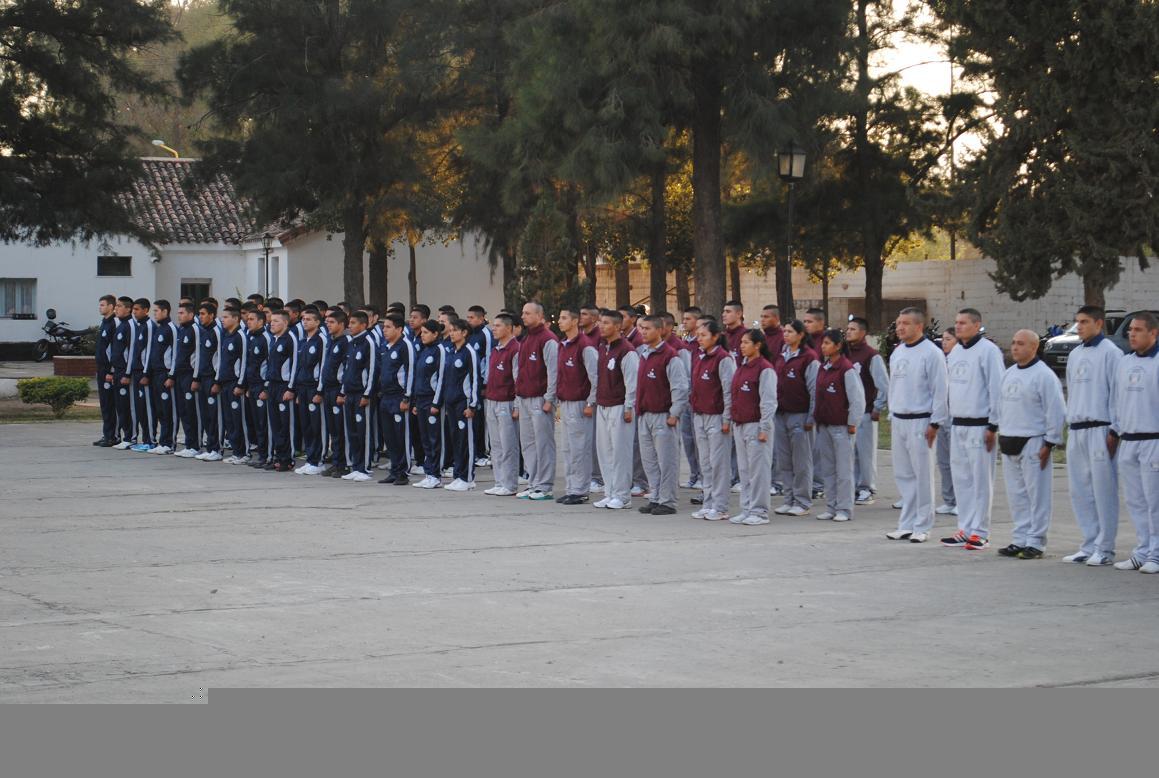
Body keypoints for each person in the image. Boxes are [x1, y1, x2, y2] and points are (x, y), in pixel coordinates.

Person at [995, 330, 1065, 560]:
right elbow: (1001, 406)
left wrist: (1050, 442)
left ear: (1034, 347)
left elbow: (1056, 410)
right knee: (1017, 495)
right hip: (1009, 440)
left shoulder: (1044, 376)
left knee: (1037, 496)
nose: (1015, 347)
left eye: (1021, 344)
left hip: (1033, 441)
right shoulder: (1008, 374)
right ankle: (1020, 539)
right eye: (1013, 343)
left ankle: (1036, 542)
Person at [1062, 306, 1122, 565]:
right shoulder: (1075, 354)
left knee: (1103, 490)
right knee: (1080, 490)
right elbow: (1072, 391)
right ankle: (1088, 544)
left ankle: (1105, 548)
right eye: (1077, 322)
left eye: (1085, 322)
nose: (1079, 327)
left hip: (1100, 427)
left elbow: (1117, 393)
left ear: (1099, 324)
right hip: (1077, 429)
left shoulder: (1111, 353)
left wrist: (1114, 430)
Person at [941, 308, 1005, 550]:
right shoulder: (956, 352)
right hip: (958, 423)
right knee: (962, 479)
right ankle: (965, 528)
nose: (958, 326)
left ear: (977, 325)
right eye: (956, 322)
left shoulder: (988, 351)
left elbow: (996, 388)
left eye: (963, 323)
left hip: (980, 424)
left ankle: (981, 531)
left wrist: (993, 424)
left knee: (980, 481)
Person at [885, 307, 949, 543]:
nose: (900, 327)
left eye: (906, 323)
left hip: (921, 420)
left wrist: (936, 422)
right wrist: (892, 413)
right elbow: (894, 386)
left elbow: (940, 390)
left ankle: (923, 525)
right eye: (898, 323)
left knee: (922, 475)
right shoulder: (898, 352)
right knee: (904, 475)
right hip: (899, 419)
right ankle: (906, 523)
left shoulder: (932, 353)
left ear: (919, 326)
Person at [1110, 312, 1159, 573]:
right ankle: (1142, 550)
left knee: (1155, 501)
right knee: (1135, 501)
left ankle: (1157, 553)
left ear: (1153, 333)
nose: (1132, 334)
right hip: (1129, 440)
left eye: (1138, 330)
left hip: (1153, 440)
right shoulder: (1124, 362)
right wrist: (1116, 429)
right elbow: (1117, 400)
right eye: (1130, 329)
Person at [635, 315, 689, 515]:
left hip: (663, 415)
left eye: (648, 328)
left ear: (659, 330)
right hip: (645, 414)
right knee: (650, 461)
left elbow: (680, 387)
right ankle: (656, 496)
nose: (643, 332)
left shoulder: (670, 356)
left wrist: (674, 413)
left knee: (667, 461)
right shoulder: (644, 354)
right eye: (642, 328)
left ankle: (668, 500)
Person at [813, 329, 866, 522]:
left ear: (838, 346)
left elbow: (857, 399)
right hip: (824, 425)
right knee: (828, 469)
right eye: (823, 343)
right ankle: (831, 506)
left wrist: (852, 422)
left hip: (841, 426)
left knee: (844, 470)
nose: (823, 346)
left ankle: (844, 508)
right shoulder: (823, 367)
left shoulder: (846, 369)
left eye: (827, 343)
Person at [729, 328, 778, 525]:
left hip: (756, 425)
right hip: (740, 424)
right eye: (741, 342)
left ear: (757, 345)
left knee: (759, 471)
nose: (742, 346)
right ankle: (747, 508)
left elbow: (768, 400)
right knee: (745, 470)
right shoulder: (742, 367)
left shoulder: (765, 369)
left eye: (746, 342)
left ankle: (760, 511)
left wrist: (764, 428)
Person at [593, 309, 640, 510]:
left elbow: (632, 382)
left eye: (606, 323)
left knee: (620, 453)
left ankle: (622, 495)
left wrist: (629, 406)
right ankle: (610, 492)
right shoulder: (603, 348)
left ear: (618, 326)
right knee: (605, 452)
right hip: (603, 405)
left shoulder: (627, 350)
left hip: (620, 407)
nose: (601, 326)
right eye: (600, 322)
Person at [690, 319, 735, 521]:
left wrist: (727, 418)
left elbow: (728, 391)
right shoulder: (701, 357)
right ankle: (708, 503)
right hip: (700, 415)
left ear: (715, 337)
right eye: (698, 335)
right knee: (706, 463)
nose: (699, 339)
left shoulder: (723, 359)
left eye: (704, 335)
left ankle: (720, 506)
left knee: (718, 464)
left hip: (716, 417)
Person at [515, 302, 560, 501]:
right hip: (525, 398)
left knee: (543, 444)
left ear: (540, 316)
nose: (523, 316)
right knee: (528, 444)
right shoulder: (526, 339)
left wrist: (550, 398)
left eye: (527, 313)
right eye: (523, 313)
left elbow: (553, 371)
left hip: (540, 399)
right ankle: (533, 482)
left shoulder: (548, 339)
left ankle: (545, 486)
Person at [773, 320, 819, 517]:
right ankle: (789, 498)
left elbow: (814, 390)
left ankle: (802, 501)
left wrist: (811, 417)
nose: (786, 334)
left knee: (801, 461)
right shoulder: (782, 356)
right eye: (784, 331)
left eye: (790, 331)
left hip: (800, 415)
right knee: (784, 460)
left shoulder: (809, 358)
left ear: (800, 335)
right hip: (781, 414)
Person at [555, 308, 598, 505]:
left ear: (574, 321)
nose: (560, 321)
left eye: (564, 318)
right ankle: (571, 488)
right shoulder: (563, 345)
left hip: (580, 403)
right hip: (566, 402)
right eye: (560, 318)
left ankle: (580, 490)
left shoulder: (585, 346)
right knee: (568, 448)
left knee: (580, 448)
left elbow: (595, 377)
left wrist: (590, 402)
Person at [844, 316, 888, 505]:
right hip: (847, 412)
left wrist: (878, 406)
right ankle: (854, 486)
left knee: (865, 452)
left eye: (853, 329)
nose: (848, 332)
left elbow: (883, 384)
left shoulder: (871, 356)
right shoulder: (845, 354)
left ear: (863, 333)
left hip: (866, 411)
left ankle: (866, 488)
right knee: (850, 452)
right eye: (847, 329)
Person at [441, 318, 483, 491]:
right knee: (456, 440)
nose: (451, 334)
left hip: (464, 403)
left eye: (454, 330)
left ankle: (468, 478)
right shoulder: (451, 352)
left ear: (464, 333)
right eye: (450, 331)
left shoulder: (469, 352)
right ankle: (458, 475)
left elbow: (475, 380)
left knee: (466, 440)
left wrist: (472, 405)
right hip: (451, 403)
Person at [374, 313, 416, 485]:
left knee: (401, 435)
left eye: (388, 327)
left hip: (399, 397)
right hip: (386, 397)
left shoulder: (405, 346)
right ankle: (394, 469)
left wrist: (407, 397)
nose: (384, 330)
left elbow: (411, 372)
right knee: (389, 436)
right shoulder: (385, 347)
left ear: (399, 329)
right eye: (383, 327)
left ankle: (403, 472)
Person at [483, 313, 520, 496]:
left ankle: (510, 484)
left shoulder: (515, 349)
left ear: (508, 328)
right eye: (493, 325)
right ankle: (499, 481)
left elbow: (518, 379)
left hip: (507, 402)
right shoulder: (495, 350)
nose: (494, 329)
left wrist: (517, 405)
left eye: (498, 326)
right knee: (496, 445)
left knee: (508, 445)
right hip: (492, 400)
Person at [338, 311, 375, 481]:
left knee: (363, 432)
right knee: (352, 432)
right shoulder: (351, 343)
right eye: (350, 323)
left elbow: (372, 369)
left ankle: (364, 468)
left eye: (353, 323)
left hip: (361, 394)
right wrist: (343, 391)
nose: (349, 326)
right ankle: (356, 465)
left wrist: (367, 394)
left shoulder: (368, 342)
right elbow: (347, 369)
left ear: (363, 325)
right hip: (350, 393)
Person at [410, 320, 447, 489]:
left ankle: (436, 475)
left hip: (432, 401)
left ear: (435, 334)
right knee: (425, 439)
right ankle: (429, 473)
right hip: (421, 401)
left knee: (434, 439)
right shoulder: (424, 351)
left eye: (426, 333)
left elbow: (441, 378)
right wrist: (416, 402)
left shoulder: (440, 350)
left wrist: (436, 403)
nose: (422, 336)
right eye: (422, 333)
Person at [316, 308, 350, 478]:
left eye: (332, 322)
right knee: (333, 430)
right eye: (327, 322)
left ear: (341, 324)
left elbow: (347, 369)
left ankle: (344, 464)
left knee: (340, 429)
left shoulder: (345, 342)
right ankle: (336, 462)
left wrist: (342, 392)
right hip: (328, 390)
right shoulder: (331, 341)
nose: (328, 325)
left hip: (338, 390)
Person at [291, 308, 326, 475]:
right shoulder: (303, 341)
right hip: (303, 388)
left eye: (309, 319)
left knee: (315, 426)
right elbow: (299, 366)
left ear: (317, 322)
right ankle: (311, 459)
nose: (305, 322)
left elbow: (324, 366)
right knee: (306, 425)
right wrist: (297, 391)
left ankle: (318, 460)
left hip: (314, 388)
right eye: (303, 319)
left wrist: (319, 391)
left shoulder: (321, 340)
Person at [262, 309, 297, 472]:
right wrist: (267, 386)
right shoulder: (273, 340)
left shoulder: (290, 339)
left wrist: (291, 388)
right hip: (273, 386)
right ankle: (278, 456)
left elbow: (295, 364)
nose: (272, 324)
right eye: (271, 321)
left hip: (284, 387)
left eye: (276, 321)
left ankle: (288, 459)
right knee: (275, 424)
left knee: (285, 425)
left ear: (285, 322)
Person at [145, 299, 178, 455]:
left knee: (168, 410)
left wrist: (171, 375)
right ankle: (162, 441)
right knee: (159, 410)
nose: (155, 314)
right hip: (156, 375)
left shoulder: (171, 329)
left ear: (165, 311)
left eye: (156, 311)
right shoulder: (159, 329)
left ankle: (169, 443)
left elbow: (176, 354)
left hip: (166, 375)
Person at [214, 307, 247, 464]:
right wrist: (218, 381)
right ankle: (236, 451)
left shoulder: (240, 336)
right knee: (229, 420)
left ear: (235, 318)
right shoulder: (226, 336)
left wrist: (241, 384)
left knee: (238, 419)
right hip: (225, 383)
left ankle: (244, 453)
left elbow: (244, 361)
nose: (222, 319)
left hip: (235, 384)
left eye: (226, 317)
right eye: (222, 317)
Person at [169, 302, 201, 458]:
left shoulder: (195, 329)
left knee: (191, 411)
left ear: (191, 314)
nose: (179, 315)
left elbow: (199, 355)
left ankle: (195, 445)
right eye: (178, 313)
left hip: (190, 375)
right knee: (183, 410)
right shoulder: (181, 330)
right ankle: (189, 443)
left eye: (182, 313)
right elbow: (177, 355)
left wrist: (196, 377)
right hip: (180, 375)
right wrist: (173, 375)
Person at [242, 309, 272, 467]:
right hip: (252, 386)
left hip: (261, 386)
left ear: (261, 321)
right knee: (256, 423)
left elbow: (270, 364)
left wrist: (265, 388)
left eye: (252, 319)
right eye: (248, 319)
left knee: (263, 423)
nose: (248, 321)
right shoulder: (251, 337)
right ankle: (262, 455)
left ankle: (268, 456)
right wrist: (248, 386)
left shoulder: (266, 338)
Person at [934, 329, 958, 515]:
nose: (944, 342)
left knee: (957, 461)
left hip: (956, 415)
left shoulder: (959, 361)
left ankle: (960, 500)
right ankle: (949, 499)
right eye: (943, 339)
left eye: (948, 339)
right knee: (943, 461)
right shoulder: (941, 360)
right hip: (942, 415)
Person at [107, 296, 136, 449]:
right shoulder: (120, 325)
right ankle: (125, 436)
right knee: (119, 406)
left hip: (125, 372)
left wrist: (127, 374)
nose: (116, 309)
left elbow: (132, 352)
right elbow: (115, 352)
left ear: (128, 309)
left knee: (127, 406)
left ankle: (131, 437)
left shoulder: (130, 325)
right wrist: (112, 371)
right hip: (117, 371)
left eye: (119, 306)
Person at [466, 305, 493, 467]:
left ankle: (483, 452)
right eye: (468, 317)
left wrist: (486, 384)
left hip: (481, 383)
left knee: (482, 420)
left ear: (481, 318)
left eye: (472, 318)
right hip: (470, 383)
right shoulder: (469, 334)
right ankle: (476, 451)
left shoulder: (486, 335)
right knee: (474, 419)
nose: (469, 320)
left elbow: (489, 359)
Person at [94, 294, 120, 447]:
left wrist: (111, 371)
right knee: (104, 403)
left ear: (111, 306)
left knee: (111, 403)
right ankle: (107, 434)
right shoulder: (104, 323)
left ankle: (113, 436)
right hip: (101, 368)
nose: (100, 307)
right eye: (100, 305)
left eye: (103, 305)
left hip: (109, 371)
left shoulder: (114, 323)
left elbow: (115, 350)